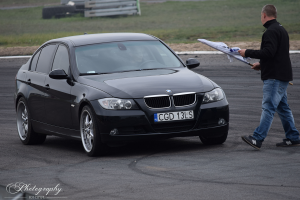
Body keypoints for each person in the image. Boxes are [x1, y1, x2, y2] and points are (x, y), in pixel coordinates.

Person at [238, 4, 300, 149]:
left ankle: (258, 138)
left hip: (274, 77)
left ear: (264, 15)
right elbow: (276, 55)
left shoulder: (270, 32)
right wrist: (261, 64)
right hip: (282, 75)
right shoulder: (281, 29)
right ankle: (293, 136)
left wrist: (247, 52)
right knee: (283, 108)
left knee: (268, 107)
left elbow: (268, 52)